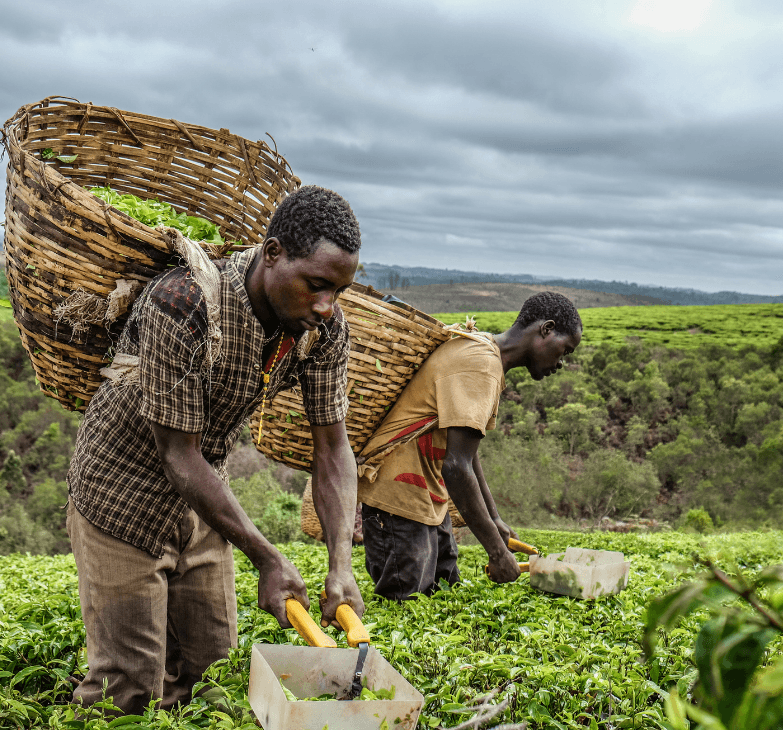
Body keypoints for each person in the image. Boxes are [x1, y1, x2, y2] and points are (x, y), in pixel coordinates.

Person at [65, 185, 364, 713]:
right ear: (272, 254)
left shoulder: (323, 328)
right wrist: (267, 557)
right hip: (121, 494)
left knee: (214, 682)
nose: (326, 305)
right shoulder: (184, 304)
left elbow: (333, 449)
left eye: (338, 290)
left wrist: (340, 563)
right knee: (128, 689)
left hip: (203, 501)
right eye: (316, 285)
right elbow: (177, 453)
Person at [356, 292, 583, 600]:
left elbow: (467, 455)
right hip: (399, 498)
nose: (561, 363)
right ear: (546, 329)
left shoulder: (485, 358)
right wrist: (497, 552)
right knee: (404, 607)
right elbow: (456, 467)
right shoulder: (480, 364)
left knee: (442, 597)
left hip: (427, 499)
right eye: (564, 350)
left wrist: (495, 521)